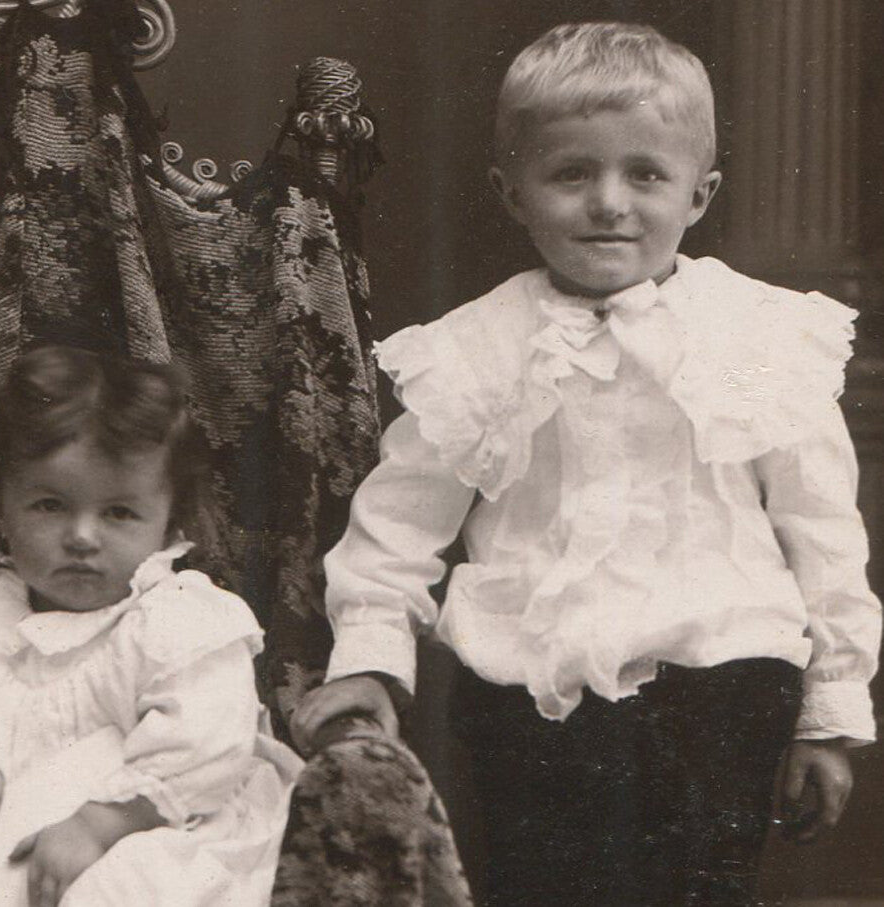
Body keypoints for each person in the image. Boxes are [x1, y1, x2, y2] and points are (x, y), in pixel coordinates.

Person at [291, 21, 881, 906]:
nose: (610, 202)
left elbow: (822, 533)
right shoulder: (477, 349)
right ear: (512, 191)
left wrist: (831, 714)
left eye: (646, 174)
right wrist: (371, 662)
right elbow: (398, 523)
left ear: (699, 193)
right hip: (531, 687)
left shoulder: (759, 336)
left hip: (723, 679)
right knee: (544, 886)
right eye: (572, 173)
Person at [0, 346, 301, 907]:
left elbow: (206, 745)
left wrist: (101, 823)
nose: (82, 536)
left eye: (119, 513)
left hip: (134, 829)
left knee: (120, 885)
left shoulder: (181, 620)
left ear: (168, 521)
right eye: (50, 505)